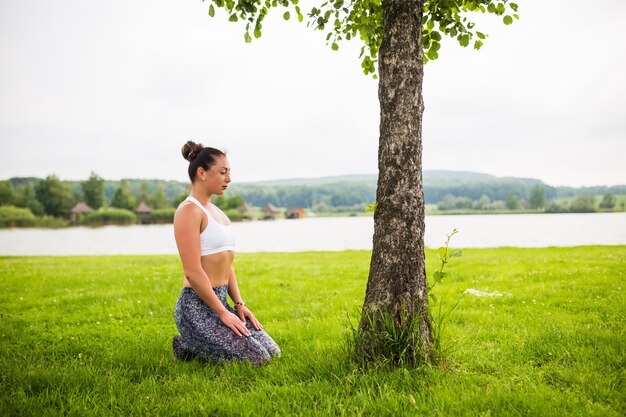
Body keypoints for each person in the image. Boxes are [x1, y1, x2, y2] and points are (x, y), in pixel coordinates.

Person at [172, 141, 281, 365]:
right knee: (258, 359)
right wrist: (223, 313)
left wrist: (239, 305)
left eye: (229, 172)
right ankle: (188, 340)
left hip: (221, 301)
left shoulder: (218, 212)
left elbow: (226, 263)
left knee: (273, 352)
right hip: (196, 307)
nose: (229, 179)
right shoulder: (189, 211)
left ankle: (190, 344)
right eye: (223, 172)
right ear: (201, 172)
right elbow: (192, 272)